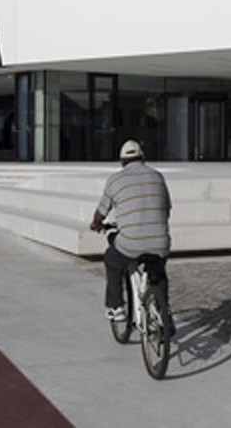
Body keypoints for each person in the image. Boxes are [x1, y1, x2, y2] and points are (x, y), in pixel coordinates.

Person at [88, 139, 171, 327]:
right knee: (158, 271)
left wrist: (96, 224)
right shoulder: (158, 176)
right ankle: (164, 313)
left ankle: (116, 307)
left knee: (112, 258)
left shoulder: (115, 180)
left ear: (121, 162)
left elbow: (101, 212)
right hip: (160, 241)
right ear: (143, 157)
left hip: (131, 243)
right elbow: (166, 208)